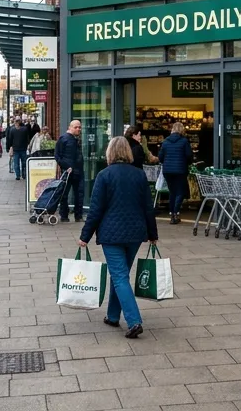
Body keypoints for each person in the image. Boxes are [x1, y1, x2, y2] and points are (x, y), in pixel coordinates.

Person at [78, 136, 158, 340]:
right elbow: (148, 207)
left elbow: (96, 209)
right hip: (134, 234)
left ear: (110, 152)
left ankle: (134, 321)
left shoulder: (104, 175)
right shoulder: (139, 175)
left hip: (111, 234)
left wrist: (84, 236)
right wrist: (152, 234)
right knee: (120, 274)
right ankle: (113, 316)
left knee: (120, 276)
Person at [158, 122, 193, 224]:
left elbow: (160, 157)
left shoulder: (165, 142)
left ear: (172, 129)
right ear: (182, 130)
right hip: (180, 170)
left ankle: (171, 213)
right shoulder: (184, 141)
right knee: (180, 192)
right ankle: (175, 212)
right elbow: (189, 156)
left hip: (167, 171)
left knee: (172, 192)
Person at [55, 120, 85, 223]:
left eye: (79, 127)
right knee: (64, 194)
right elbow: (57, 155)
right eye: (76, 127)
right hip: (68, 171)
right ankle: (64, 215)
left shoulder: (76, 139)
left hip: (78, 171)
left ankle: (78, 216)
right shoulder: (64, 139)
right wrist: (65, 166)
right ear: (70, 127)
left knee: (79, 194)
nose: (78, 129)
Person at [9, 116, 32, 182]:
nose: (17, 122)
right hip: (15, 149)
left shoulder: (24, 129)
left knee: (24, 163)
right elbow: (10, 139)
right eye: (16, 121)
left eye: (18, 121)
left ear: (20, 121)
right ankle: (18, 176)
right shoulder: (12, 130)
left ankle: (23, 174)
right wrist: (10, 147)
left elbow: (27, 138)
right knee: (16, 164)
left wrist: (28, 145)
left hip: (23, 149)